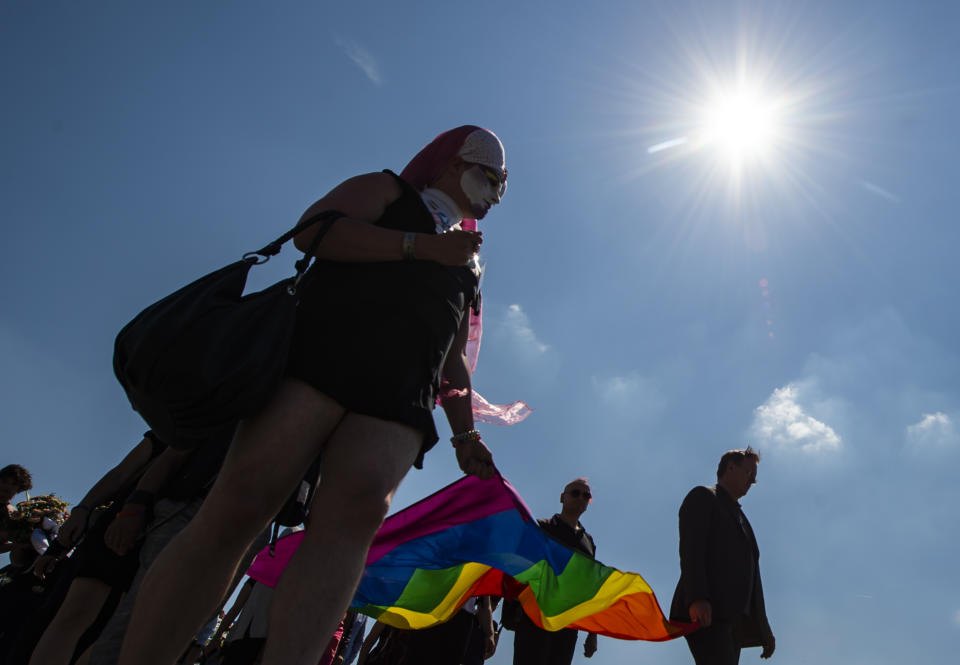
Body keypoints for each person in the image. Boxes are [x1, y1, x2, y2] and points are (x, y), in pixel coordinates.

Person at [118, 125, 508, 665]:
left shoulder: (470, 259)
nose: (497, 191)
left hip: (400, 393)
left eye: (504, 184)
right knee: (240, 505)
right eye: (491, 174)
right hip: (318, 359)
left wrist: (466, 433)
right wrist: (421, 248)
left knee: (353, 522)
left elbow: (452, 352)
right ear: (450, 161)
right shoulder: (388, 190)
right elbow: (314, 231)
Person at [670, 447, 775, 665]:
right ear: (730, 467)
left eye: (754, 479)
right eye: (748, 474)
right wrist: (698, 597)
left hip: (733, 620)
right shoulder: (704, 497)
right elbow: (692, 550)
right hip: (708, 613)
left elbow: (753, 576)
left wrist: (764, 629)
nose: (752, 482)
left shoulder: (742, 519)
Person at [511, 478, 599, 665]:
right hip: (535, 618)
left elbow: (589, 587)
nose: (581, 498)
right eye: (575, 493)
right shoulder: (541, 528)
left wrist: (593, 632)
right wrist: (513, 608)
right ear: (562, 497)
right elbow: (519, 568)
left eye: (587, 495)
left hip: (567, 624)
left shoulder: (588, 544)